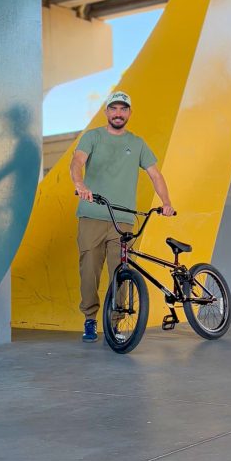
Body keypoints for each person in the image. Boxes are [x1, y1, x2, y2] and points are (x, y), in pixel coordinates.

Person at [71, 91, 174, 342]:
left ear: (129, 113)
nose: (118, 113)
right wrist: (80, 184)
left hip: (123, 219)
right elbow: (77, 162)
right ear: (107, 112)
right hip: (92, 215)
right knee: (89, 272)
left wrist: (166, 202)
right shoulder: (93, 137)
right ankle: (90, 319)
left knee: (122, 272)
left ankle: (115, 323)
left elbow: (155, 175)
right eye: (114, 108)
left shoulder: (137, 143)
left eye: (123, 109)